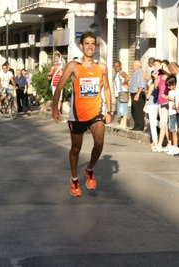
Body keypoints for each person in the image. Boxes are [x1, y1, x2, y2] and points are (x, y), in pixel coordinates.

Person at [52, 31, 112, 197]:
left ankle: (90, 169)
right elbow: (60, 86)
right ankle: (74, 178)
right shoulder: (73, 66)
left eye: (93, 43)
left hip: (96, 113)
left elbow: (106, 89)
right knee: (76, 148)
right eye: (87, 43)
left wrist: (109, 110)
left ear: (96, 46)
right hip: (77, 116)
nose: (90, 46)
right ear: (81, 46)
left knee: (99, 143)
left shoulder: (102, 67)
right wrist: (55, 107)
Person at [152, 60, 171, 152]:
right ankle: (170, 143)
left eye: (163, 66)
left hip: (166, 101)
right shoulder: (160, 76)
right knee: (164, 124)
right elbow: (156, 87)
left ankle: (159, 144)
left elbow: (170, 74)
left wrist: (163, 68)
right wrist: (155, 77)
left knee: (163, 123)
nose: (161, 68)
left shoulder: (169, 76)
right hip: (159, 100)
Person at [164, 75, 179, 155]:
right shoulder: (170, 92)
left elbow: (178, 100)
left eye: (169, 85)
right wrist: (167, 99)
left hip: (175, 113)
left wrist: (171, 99)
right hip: (171, 112)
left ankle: (176, 147)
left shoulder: (177, 91)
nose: (169, 87)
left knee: (175, 131)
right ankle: (174, 146)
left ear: (174, 84)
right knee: (172, 130)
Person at [129, 60, 146, 131]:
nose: (132, 67)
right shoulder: (136, 73)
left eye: (133, 65)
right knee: (134, 111)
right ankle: (136, 125)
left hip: (138, 93)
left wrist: (137, 95)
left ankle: (140, 126)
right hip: (134, 93)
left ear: (137, 66)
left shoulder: (140, 73)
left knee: (138, 111)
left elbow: (141, 86)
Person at [113, 61, 130, 130]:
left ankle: (124, 124)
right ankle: (121, 123)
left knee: (123, 108)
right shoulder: (117, 74)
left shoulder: (122, 72)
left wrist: (124, 83)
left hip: (122, 93)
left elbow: (127, 78)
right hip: (119, 94)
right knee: (120, 109)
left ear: (120, 66)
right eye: (115, 66)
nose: (116, 68)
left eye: (118, 66)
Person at [145, 70, 159, 149]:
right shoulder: (159, 85)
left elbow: (147, 96)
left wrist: (147, 92)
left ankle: (155, 140)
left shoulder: (152, 85)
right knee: (156, 121)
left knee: (153, 123)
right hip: (158, 103)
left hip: (151, 104)